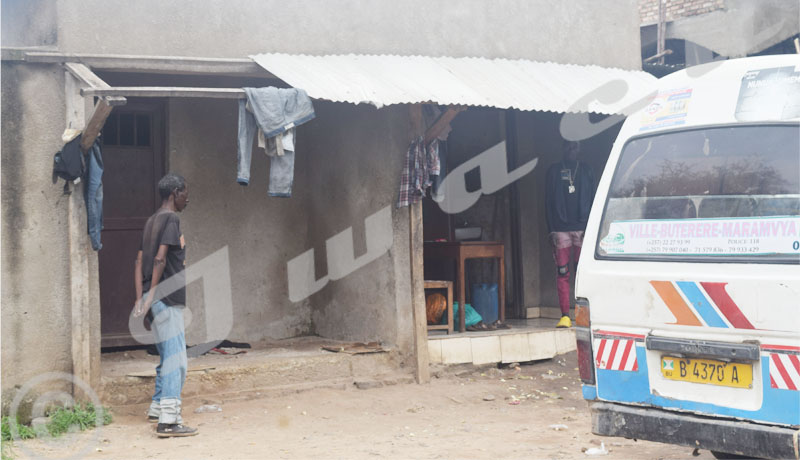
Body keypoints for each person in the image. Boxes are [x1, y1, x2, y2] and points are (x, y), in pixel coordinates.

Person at [133, 173, 197, 438]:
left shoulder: (151, 221)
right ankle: (169, 422)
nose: (187, 198)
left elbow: (138, 263)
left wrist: (142, 298)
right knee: (176, 360)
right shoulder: (172, 219)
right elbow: (159, 260)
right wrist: (150, 297)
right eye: (184, 193)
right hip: (166, 299)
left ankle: (158, 407)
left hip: (154, 298)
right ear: (174, 193)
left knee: (165, 356)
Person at [545, 141, 596, 328]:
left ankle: (583, 314)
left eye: (575, 147)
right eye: (567, 146)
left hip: (582, 228)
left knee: (582, 273)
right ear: (562, 148)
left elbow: (593, 201)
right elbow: (548, 202)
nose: (571, 150)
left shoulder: (586, 170)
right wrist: (551, 229)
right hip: (560, 228)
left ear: (580, 148)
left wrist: (591, 228)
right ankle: (565, 315)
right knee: (563, 272)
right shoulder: (554, 171)